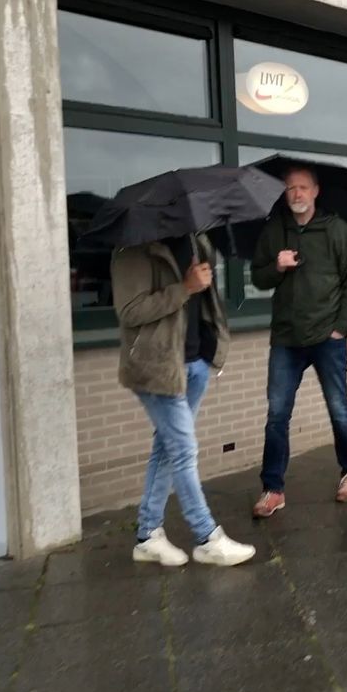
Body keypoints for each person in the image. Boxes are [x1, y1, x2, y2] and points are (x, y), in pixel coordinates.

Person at [112, 234, 256, 567]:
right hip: (156, 365)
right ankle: (207, 537)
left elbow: (207, 301)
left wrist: (210, 348)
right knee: (183, 449)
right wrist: (185, 288)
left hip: (194, 363)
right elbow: (130, 310)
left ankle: (148, 535)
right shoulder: (132, 249)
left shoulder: (196, 241)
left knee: (167, 447)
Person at [251, 166, 347, 518]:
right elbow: (258, 277)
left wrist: (341, 328)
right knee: (277, 414)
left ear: (316, 191)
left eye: (303, 188)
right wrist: (277, 265)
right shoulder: (275, 230)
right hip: (286, 337)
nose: (296, 194)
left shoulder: (336, 230)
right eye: (290, 188)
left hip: (327, 337)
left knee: (338, 408)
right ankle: (273, 489)